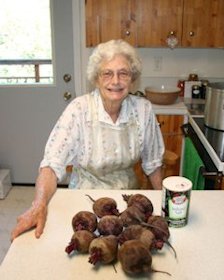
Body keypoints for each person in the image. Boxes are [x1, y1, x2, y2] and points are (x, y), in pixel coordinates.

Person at [11, 39, 165, 240]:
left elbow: (153, 164)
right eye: (107, 73)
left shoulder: (143, 110)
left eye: (123, 73)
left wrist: (163, 206)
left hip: (128, 202)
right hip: (84, 201)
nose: (116, 81)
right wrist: (38, 205)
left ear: (132, 78)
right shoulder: (78, 110)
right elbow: (51, 165)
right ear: (96, 78)